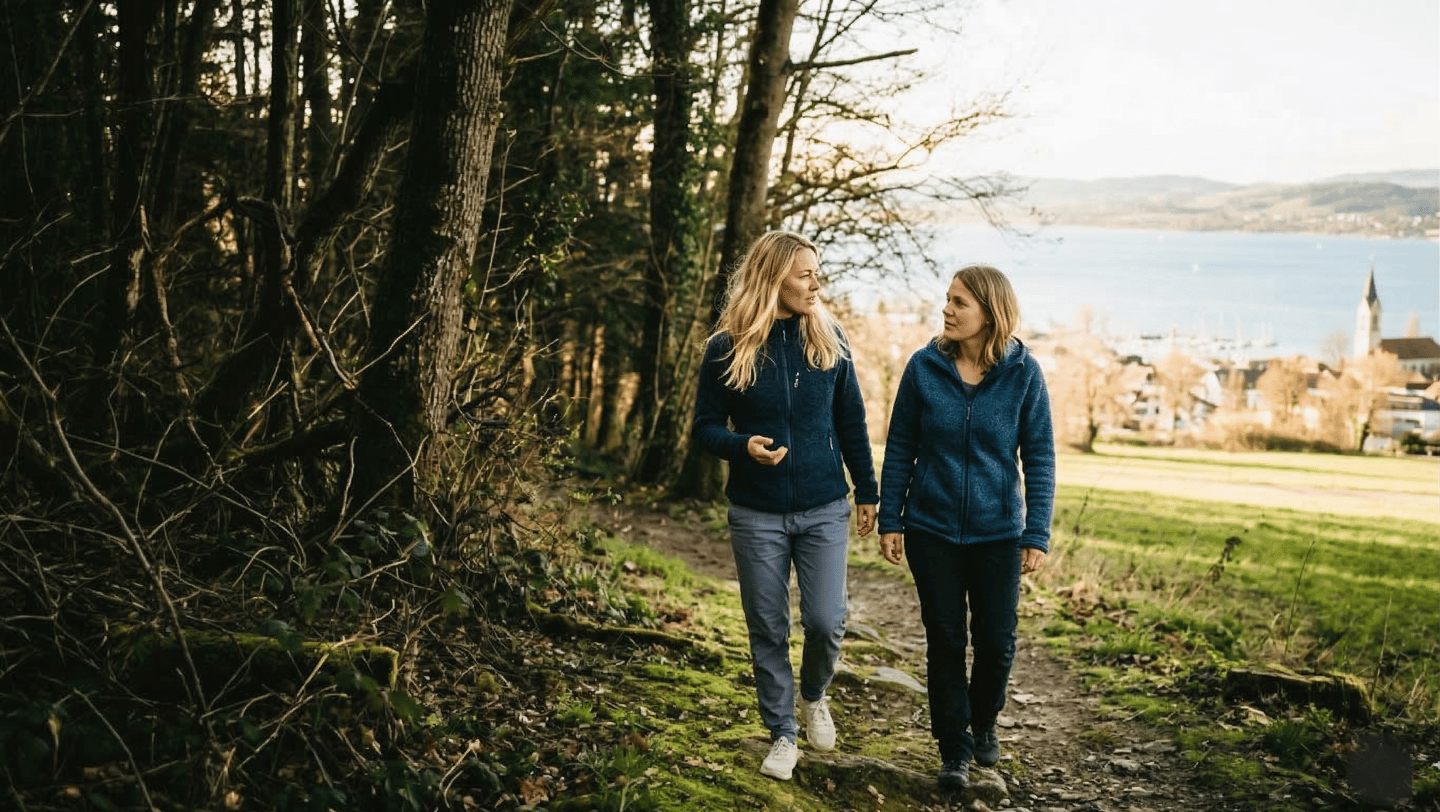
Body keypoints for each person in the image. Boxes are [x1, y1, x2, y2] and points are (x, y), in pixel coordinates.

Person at [692, 230, 879, 781]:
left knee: (826, 620)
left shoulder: (831, 340)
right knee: (767, 626)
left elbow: (852, 423)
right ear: (774, 278)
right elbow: (704, 427)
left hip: (824, 506)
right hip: (756, 512)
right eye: (805, 274)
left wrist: (866, 492)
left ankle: (814, 695)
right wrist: (741, 446)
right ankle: (782, 733)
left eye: (817, 271)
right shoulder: (725, 347)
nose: (816, 282)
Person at [877, 264, 1055, 790]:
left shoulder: (1024, 373)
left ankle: (983, 724)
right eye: (947, 300)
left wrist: (1036, 532)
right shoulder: (924, 368)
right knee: (946, 641)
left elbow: (1040, 457)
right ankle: (953, 748)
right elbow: (901, 445)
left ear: (989, 313)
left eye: (959, 303)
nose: (947, 310)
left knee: (997, 642)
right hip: (931, 531)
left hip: (999, 533)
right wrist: (892, 517)